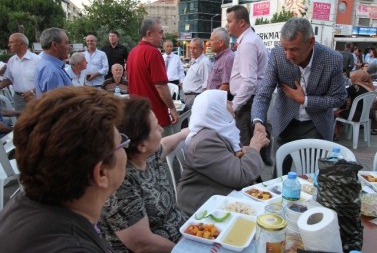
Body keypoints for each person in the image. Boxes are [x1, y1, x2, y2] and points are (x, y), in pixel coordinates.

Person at [0, 86, 127, 252]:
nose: (126, 148)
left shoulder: (24, 206)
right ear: (101, 172)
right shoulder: (72, 245)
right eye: (122, 143)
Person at [251, 17, 347, 176]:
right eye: (285, 48)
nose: (288, 55)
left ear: (310, 43)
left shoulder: (332, 59)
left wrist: (305, 100)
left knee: (315, 174)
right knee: (280, 172)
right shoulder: (277, 55)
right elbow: (263, 93)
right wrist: (258, 121)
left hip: (317, 124)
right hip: (286, 122)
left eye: (294, 49)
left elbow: (339, 98)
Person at [100, 96, 188, 252]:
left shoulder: (147, 155)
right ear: (141, 145)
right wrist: (186, 250)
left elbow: (165, 144)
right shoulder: (121, 182)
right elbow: (143, 244)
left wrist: (184, 133)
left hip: (183, 234)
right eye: (156, 127)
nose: (161, 128)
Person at [177, 90, 270, 215]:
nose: (231, 102)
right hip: (203, 208)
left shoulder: (214, 133)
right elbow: (241, 176)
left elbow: (224, 161)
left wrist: (243, 153)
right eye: (225, 101)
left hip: (218, 197)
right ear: (215, 109)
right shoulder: (205, 142)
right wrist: (255, 147)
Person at [226, 5, 272, 166]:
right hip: (250, 100)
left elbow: (249, 81)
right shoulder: (250, 40)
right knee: (251, 146)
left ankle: (248, 183)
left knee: (245, 148)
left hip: (247, 102)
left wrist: (236, 105)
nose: (227, 25)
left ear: (242, 23)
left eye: (230, 21)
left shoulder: (248, 43)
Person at [127, 18, 178, 136]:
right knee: (162, 151)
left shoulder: (132, 52)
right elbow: (161, 86)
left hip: (138, 115)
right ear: (149, 34)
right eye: (160, 32)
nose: (163, 36)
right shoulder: (153, 53)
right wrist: (172, 109)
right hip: (156, 116)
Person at [0, 33, 40, 111]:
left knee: (36, 122)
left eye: (11, 42)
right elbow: (9, 79)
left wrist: (32, 92)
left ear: (21, 44)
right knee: (20, 122)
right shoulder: (11, 60)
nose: (8, 45)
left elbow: (44, 81)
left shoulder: (37, 60)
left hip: (35, 98)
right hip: (18, 99)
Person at [334, 70, 375, 140]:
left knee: (334, 113)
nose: (351, 79)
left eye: (353, 77)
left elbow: (342, 95)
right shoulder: (370, 87)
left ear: (358, 77)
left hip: (355, 115)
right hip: (365, 115)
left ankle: (335, 134)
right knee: (342, 110)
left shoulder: (356, 87)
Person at [34, 28, 73, 97]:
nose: (69, 47)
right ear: (54, 45)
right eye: (66, 43)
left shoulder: (45, 64)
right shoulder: (52, 71)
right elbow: (59, 105)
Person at [181, 38, 212, 109]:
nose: (191, 51)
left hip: (195, 98)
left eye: (194, 48)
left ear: (202, 49)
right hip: (190, 97)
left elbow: (206, 85)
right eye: (190, 48)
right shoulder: (195, 60)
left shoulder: (204, 63)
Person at [207, 27, 234, 98]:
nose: (208, 43)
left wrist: (211, 99)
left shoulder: (227, 58)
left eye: (212, 40)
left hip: (218, 103)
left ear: (221, 43)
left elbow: (226, 86)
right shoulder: (220, 58)